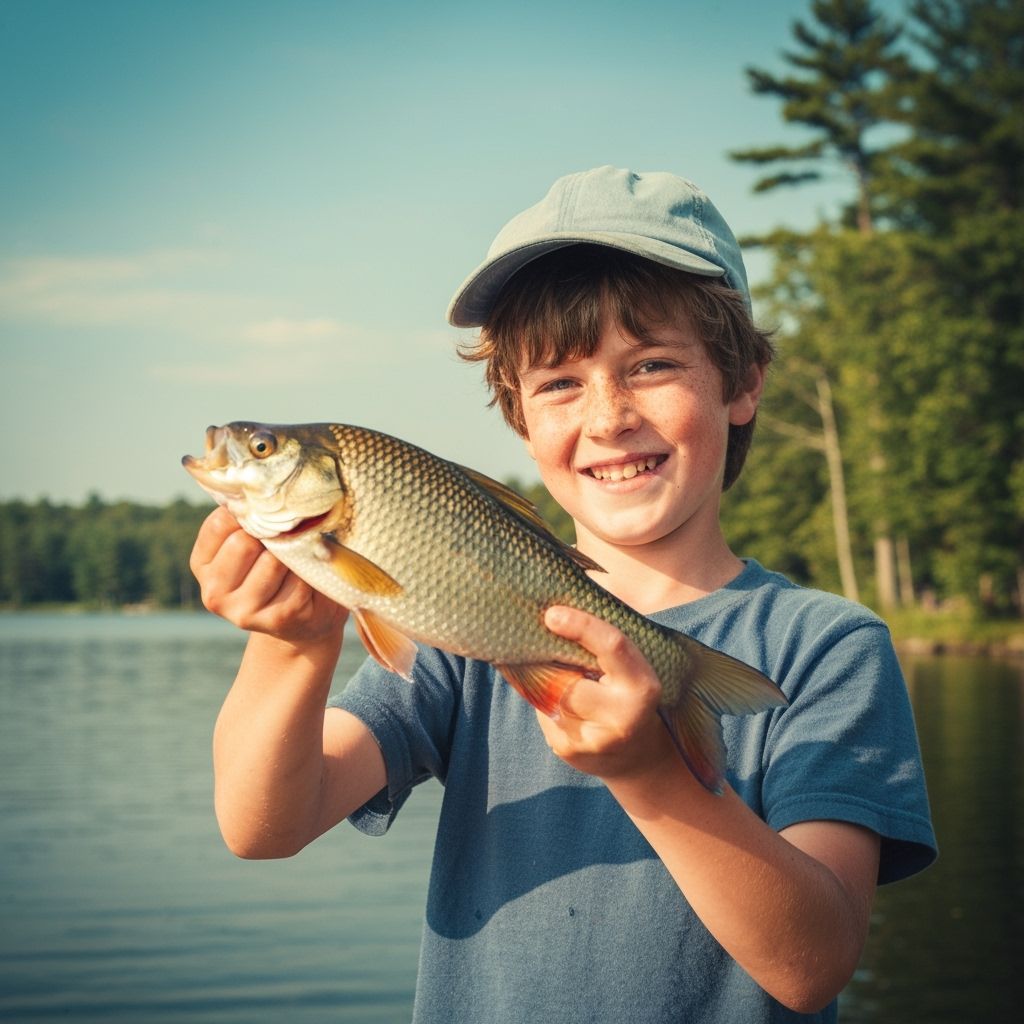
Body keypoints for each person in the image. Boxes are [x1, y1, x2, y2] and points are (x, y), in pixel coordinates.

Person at [190, 166, 936, 1023]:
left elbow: (814, 965)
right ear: (520, 417)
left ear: (743, 384)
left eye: (651, 365)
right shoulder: (455, 633)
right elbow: (265, 826)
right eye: (559, 383)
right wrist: (292, 646)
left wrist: (653, 776)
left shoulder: (827, 647)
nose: (609, 417)